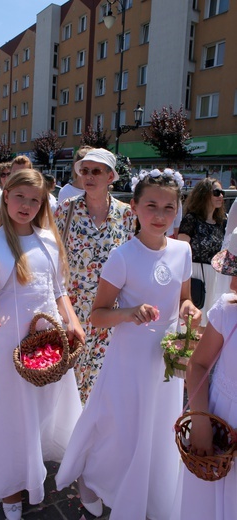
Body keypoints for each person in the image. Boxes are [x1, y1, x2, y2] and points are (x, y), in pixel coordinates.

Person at [56, 168, 202, 520]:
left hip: (165, 358)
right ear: (134, 207)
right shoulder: (122, 256)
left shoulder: (182, 250)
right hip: (129, 356)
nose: (160, 215)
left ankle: (150, 486)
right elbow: (97, 315)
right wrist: (129, 312)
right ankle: (95, 476)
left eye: (169, 208)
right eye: (151, 206)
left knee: (157, 424)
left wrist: (189, 309)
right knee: (122, 425)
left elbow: (183, 298)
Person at [0, 169, 85, 520]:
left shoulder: (48, 239)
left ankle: (39, 464)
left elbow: (58, 288)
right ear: (5, 195)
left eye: (35, 200)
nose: (27, 205)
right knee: (11, 416)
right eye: (20, 196)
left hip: (47, 342)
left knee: (46, 407)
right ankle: (10, 486)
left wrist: (72, 321)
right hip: (9, 346)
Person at [54, 148, 135, 403]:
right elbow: (53, 256)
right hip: (72, 307)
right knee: (67, 373)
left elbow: (131, 260)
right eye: (84, 171)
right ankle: (65, 433)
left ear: (110, 177)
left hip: (107, 309)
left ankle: (91, 431)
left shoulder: (126, 215)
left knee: (100, 376)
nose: (88, 176)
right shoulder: (65, 209)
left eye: (96, 171)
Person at [170, 228, 237, 520]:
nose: (232, 282)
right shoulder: (228, 312)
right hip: (221, 424)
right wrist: (200, 422)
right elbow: (197, 366)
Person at [178, 178, 226, 330]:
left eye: (222, 193)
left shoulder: (221, 223)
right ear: (204, 194)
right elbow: (182, 252)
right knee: (192, 322)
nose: (221, 196)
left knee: (210, 322)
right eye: (216, 192)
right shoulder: (191, 220)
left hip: (215, 277)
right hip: (195, 274)